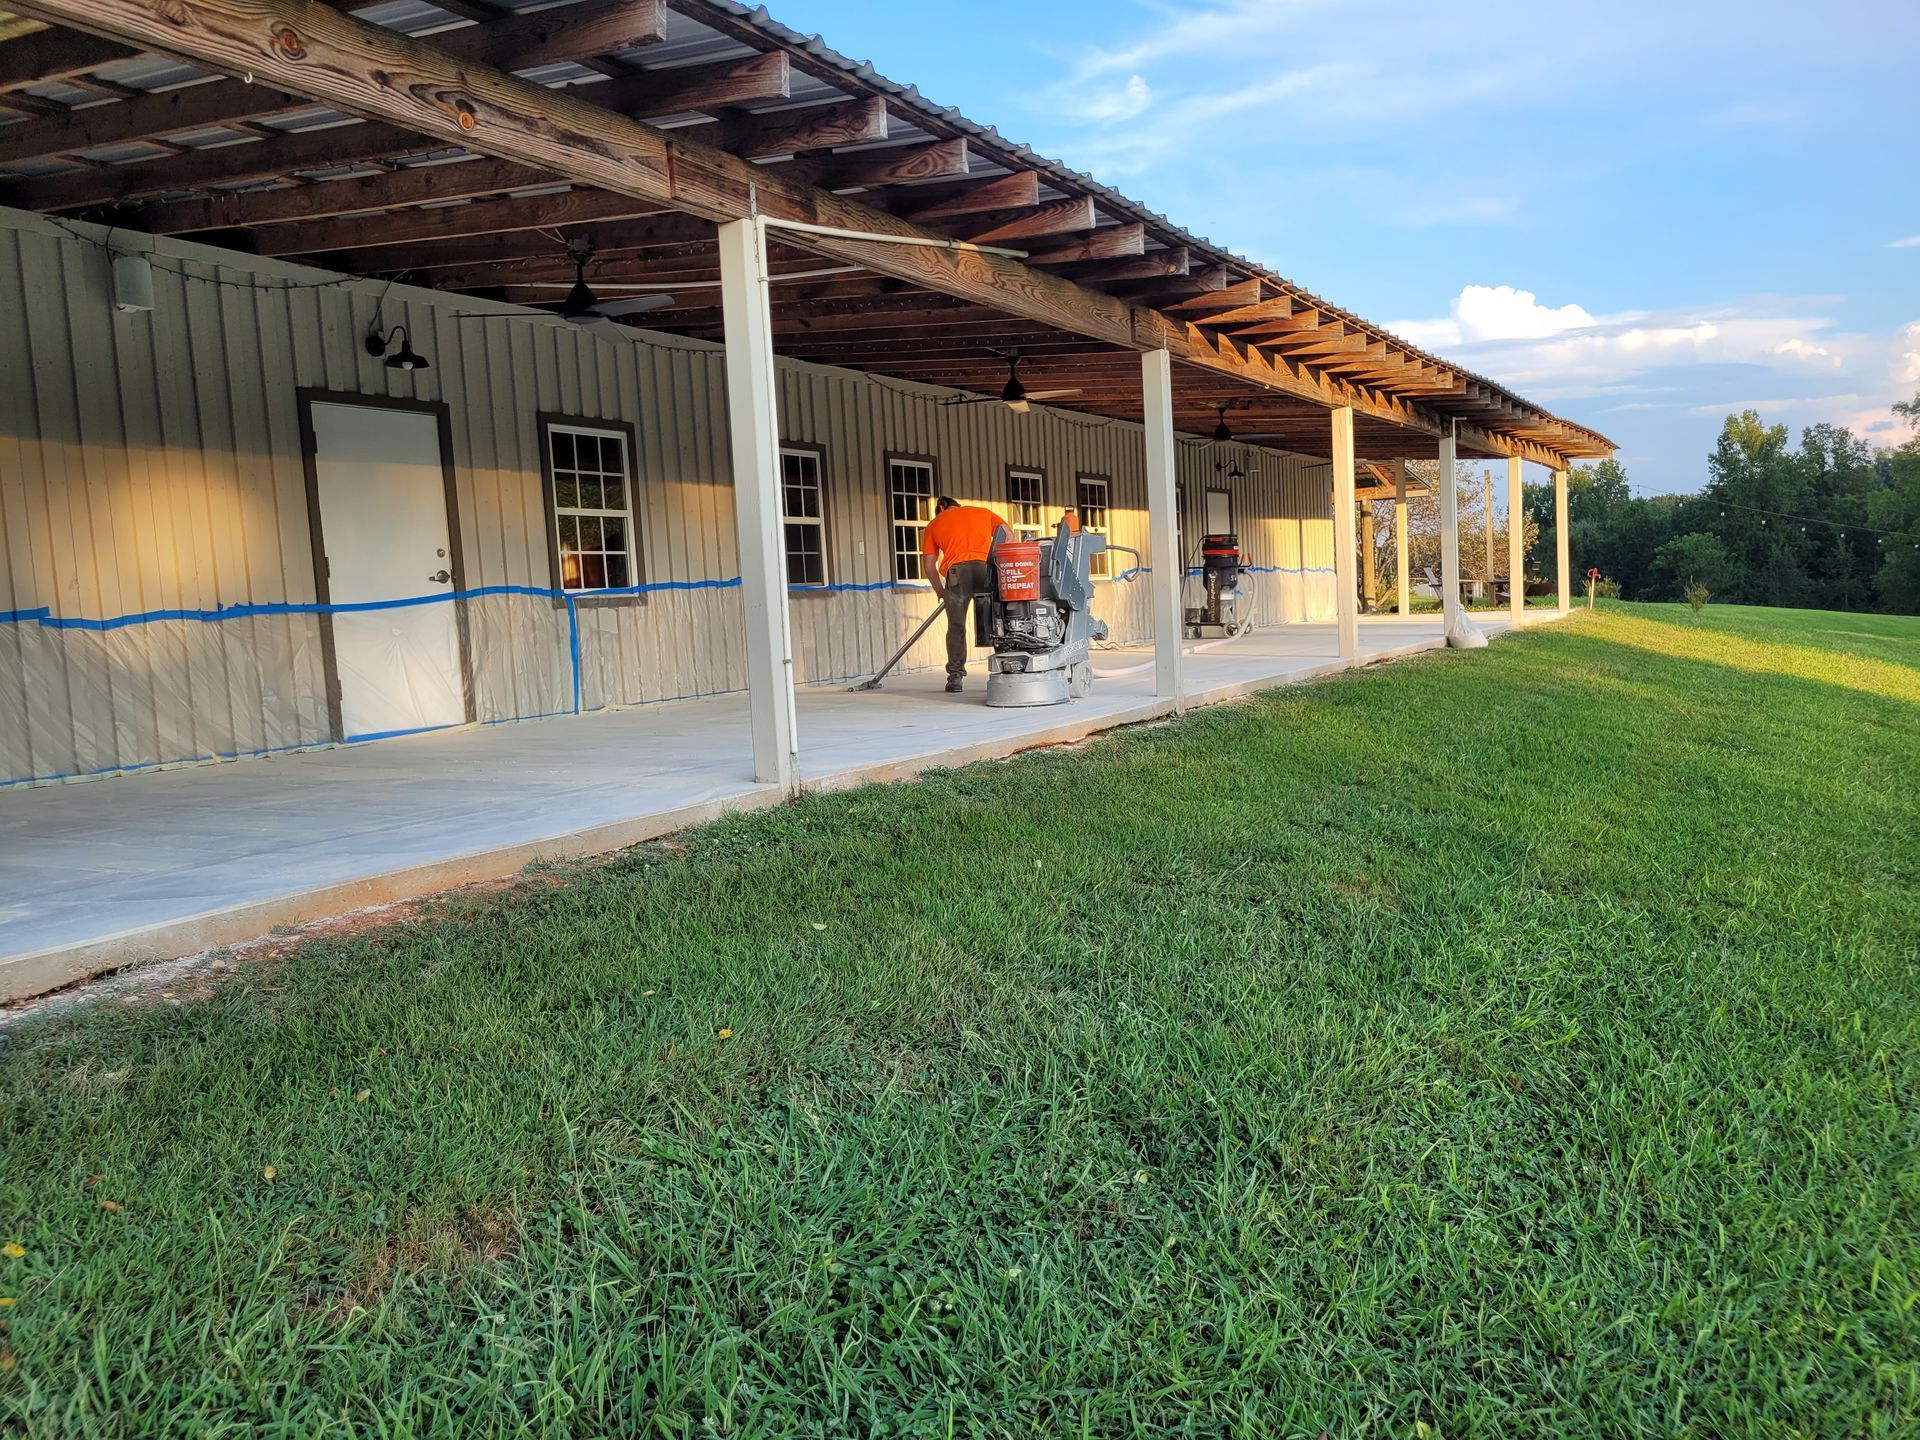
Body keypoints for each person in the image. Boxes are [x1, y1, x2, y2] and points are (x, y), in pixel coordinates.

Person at [921, 495, 1002, 693]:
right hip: (986, 569)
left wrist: (940, 590)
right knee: (996, 620)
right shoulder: (983, 513)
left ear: (941, 507)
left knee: (956, 626)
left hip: (957, 574)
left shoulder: (934, 524)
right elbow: (1007, 535)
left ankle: (955, 677)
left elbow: (929, 565)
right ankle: (1006, 666)